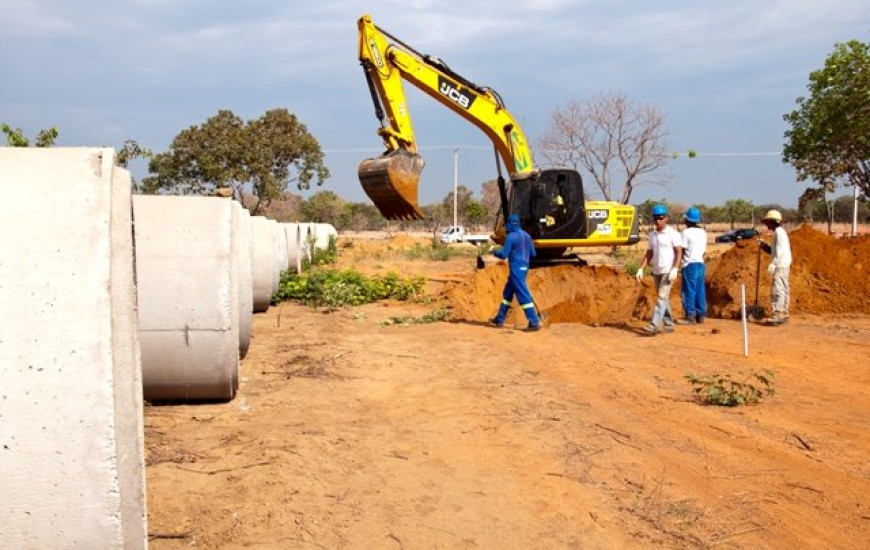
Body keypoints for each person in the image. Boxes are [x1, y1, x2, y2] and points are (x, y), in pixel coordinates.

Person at [489, 214, 542, 331]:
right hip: (525, 267)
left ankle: (534, 321)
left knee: (523, 294)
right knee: (507, 294)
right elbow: (533, 254)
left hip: (516, 268)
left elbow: (503, 255)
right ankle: (500, 319)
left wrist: (493, 250)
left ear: (509, 224)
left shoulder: (511, 237)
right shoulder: (527, 236)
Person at [635, 204, 682, 334]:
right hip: (656, 270)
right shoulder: (653, 235)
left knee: (661, 297)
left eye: (660, 218)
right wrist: (641, 268)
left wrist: (675, 268)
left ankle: (654, 325)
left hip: (668, 270)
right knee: (663, 297)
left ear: (666, 218)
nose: (658, 221)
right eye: (655, 218)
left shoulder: (673, 234)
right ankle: (669, 324)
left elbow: (678, 252)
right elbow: (649, 253)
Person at [758, 209, 792, 324]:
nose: (766, 224)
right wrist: (764, 246)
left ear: (773, 221)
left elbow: (780, 251)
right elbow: (774, 251)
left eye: (768, 222)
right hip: (783, 264)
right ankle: (783, 312)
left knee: (778, 289)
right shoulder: (779, 232)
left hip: (781, 265)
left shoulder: (779, 232)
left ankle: (778, 313)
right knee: (783, 288)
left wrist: (774, 264)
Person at [677, 206, 707, 324]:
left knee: (689, 290)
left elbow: (682, 250)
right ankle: (700, 315)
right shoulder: (703, 232)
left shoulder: (686, 232)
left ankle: (690, 316)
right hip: (700, 263)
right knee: (700, 289)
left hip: (690, 264)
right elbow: (703, 251)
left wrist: (677, 265)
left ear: (688, 220)